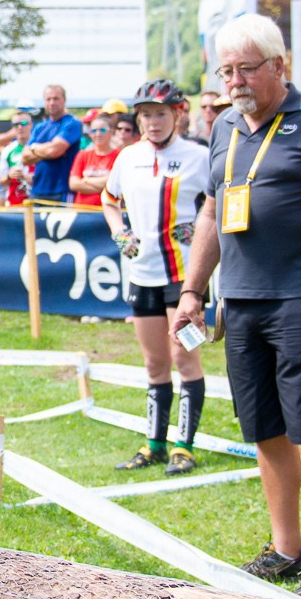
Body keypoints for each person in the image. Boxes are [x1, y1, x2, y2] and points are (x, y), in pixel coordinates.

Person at [170, 14, 301, 599]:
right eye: (225, 70)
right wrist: (192, 290)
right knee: (266, 429)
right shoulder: (225, 125)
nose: (233, 81)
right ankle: (289, 550)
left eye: (245, 69)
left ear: (278, 67)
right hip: (241, 302)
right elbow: (211, 210)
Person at [102, 80, 210, 476]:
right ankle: (154, 444)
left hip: (185, 279)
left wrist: (198, 227)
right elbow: (109, 199)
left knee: (185, 358)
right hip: (142, 274)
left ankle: (185, 446)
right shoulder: (128, 156)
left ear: (178, 114)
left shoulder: (199, 156)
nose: (152, 122)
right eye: (145, 114)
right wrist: (120, 232)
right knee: (154, 363)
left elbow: (217, 207)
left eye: (160, 114)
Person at [23, 84, 82, 203]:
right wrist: (48, 148)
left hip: (62, 190)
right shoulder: (39, 127)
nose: (52, 103)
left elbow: (55, 151)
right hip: (38, 189)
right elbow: (25, 157)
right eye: (48, 99)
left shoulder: (71, 123)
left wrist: (34, 148)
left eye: (56, 98)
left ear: (64, 100)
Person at [68, 117, 116, 207]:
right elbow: (74, 184)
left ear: (112, 132)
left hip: (109, 210)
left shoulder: (119, 156)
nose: (98, 134)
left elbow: (115, 183)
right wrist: (104, 185)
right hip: (82, 210)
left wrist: (86, 180)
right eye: (94, 131)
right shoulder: (83, 155)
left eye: (102, 130)